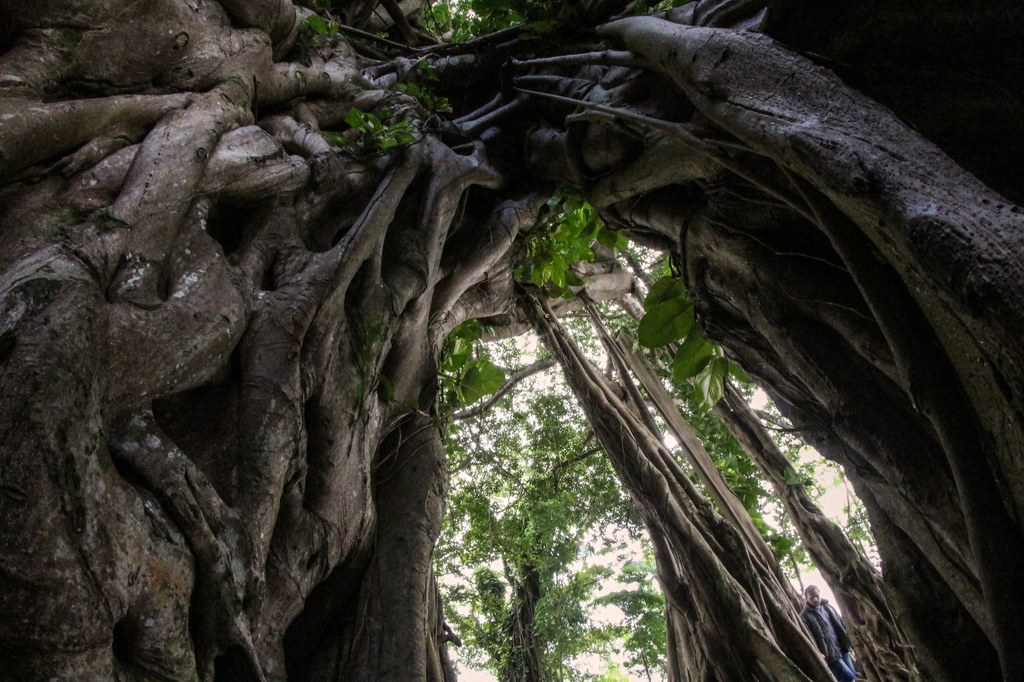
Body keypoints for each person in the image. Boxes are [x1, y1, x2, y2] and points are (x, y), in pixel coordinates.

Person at [800, 585, 858, 682]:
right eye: (811, 598)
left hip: (842, 647)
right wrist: (819, 653)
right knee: (849, 676)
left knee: (851, 675)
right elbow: (808, 637)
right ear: (806, 598)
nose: (815, 599)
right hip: (828, 653)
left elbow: (841, 623)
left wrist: (849, 641)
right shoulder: (804, 616)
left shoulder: (828, 607)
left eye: (816, 596)